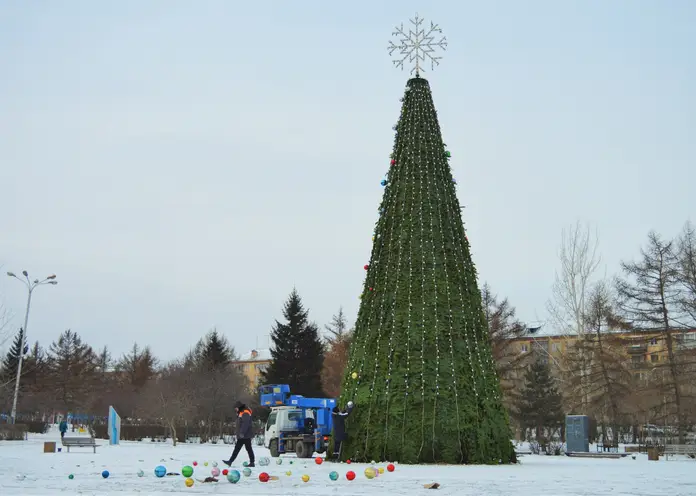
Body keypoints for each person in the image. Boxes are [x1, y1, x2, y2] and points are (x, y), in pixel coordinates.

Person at [223, 401, 255, 467]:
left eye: (236, 408)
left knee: (240, 449)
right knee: (247, 449)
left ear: (239, 407)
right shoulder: (241, 412)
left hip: (244, 435)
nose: (235, 409)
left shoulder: (245, 412)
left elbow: (245, 424)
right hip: (244, 435)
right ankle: (251, 462)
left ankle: (231, 461)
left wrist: (242, 433)